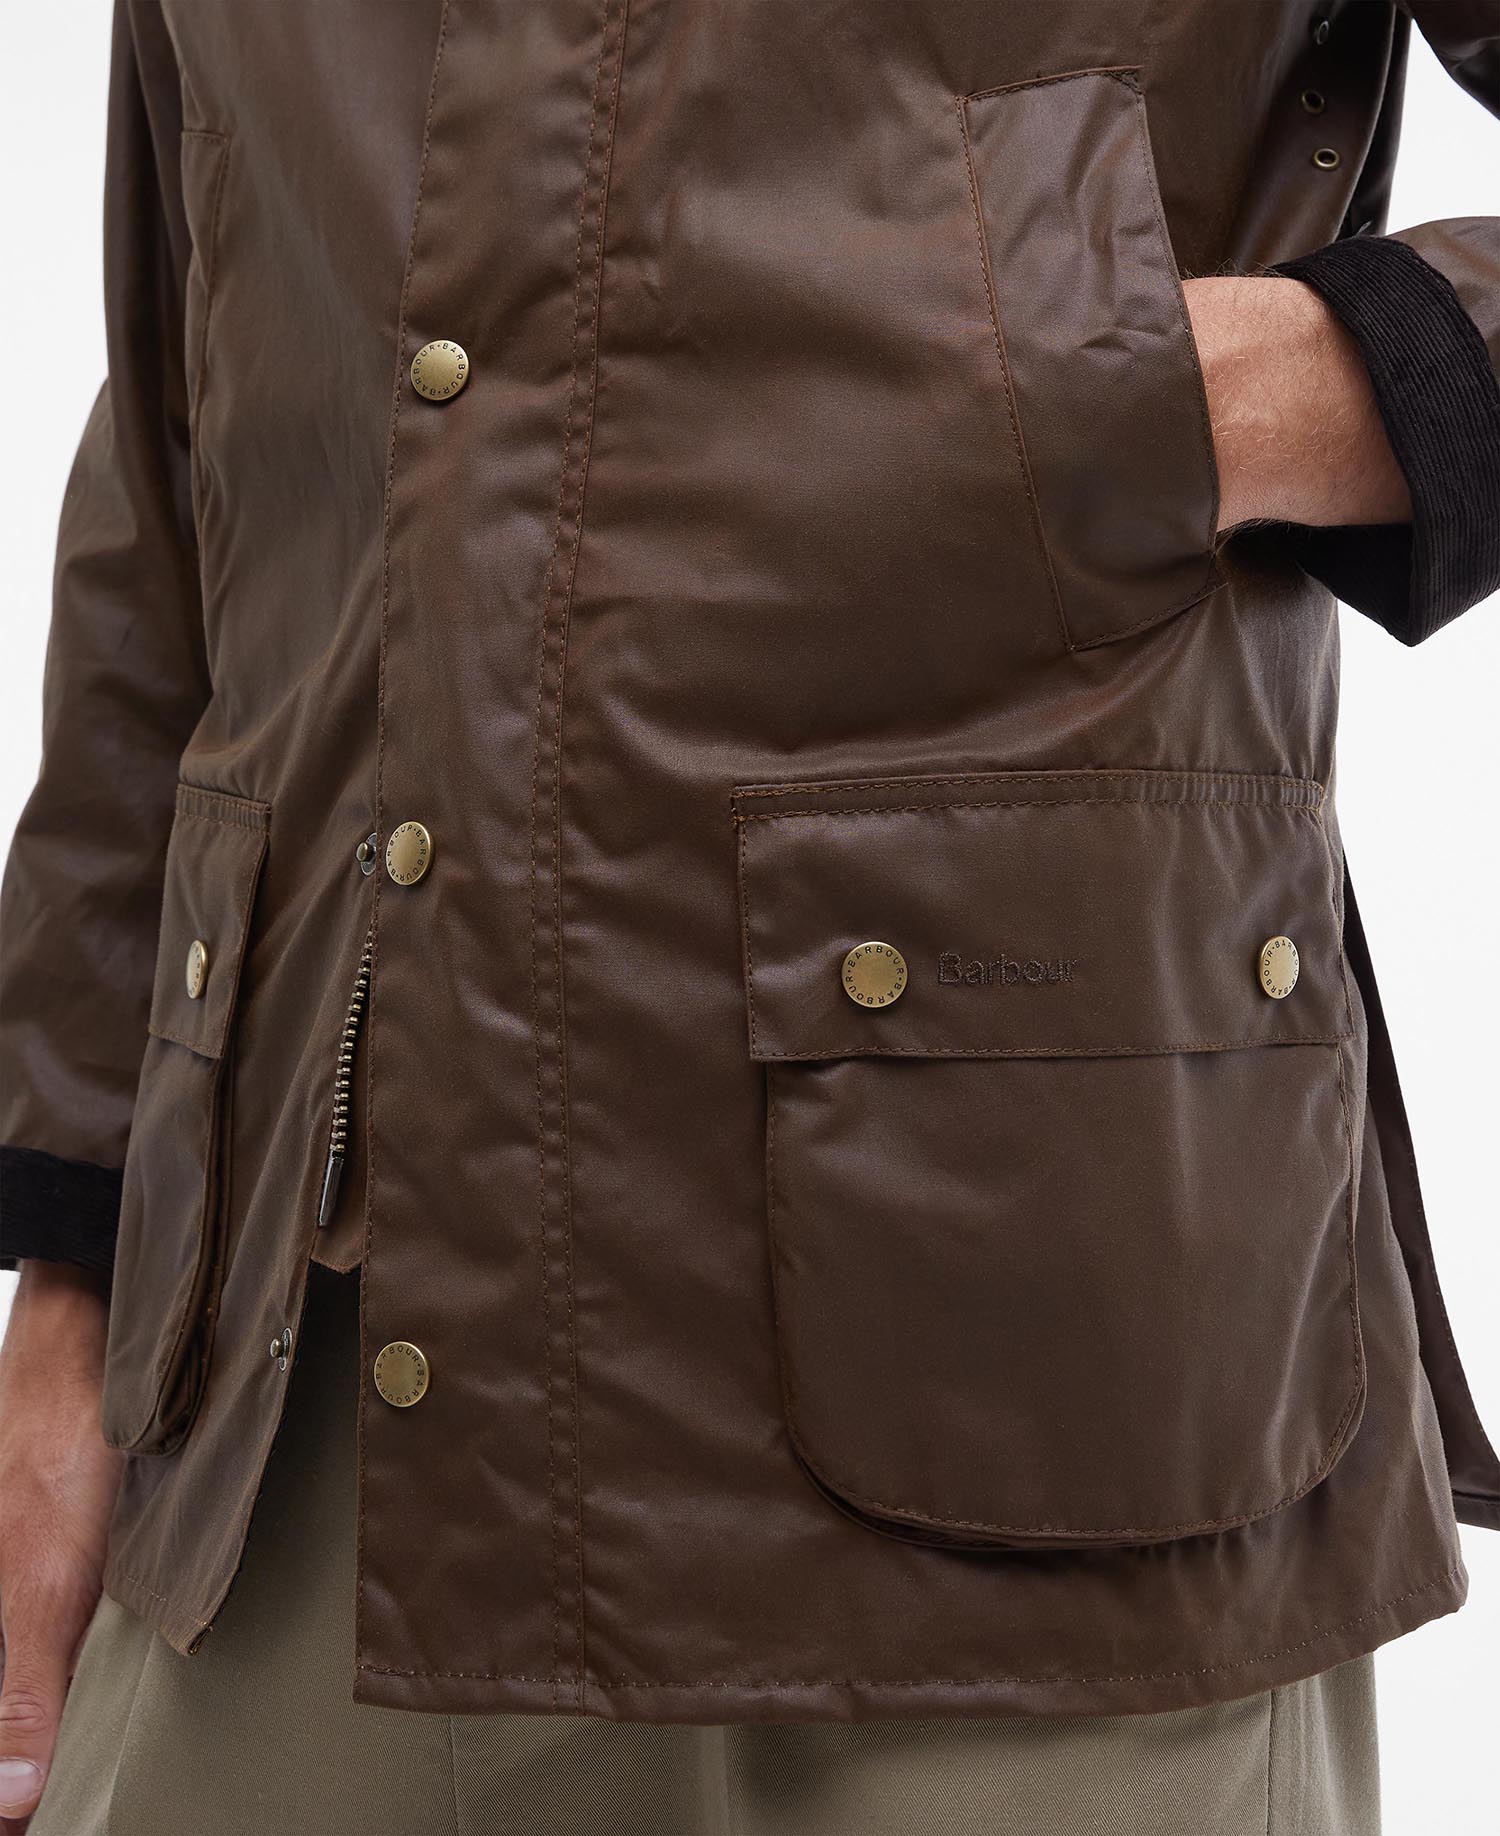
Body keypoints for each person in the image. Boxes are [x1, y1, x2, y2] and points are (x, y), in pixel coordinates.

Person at [1, 3, 1497, 1831]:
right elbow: (192, 428)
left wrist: (1287, 383)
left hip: (1037, 1409)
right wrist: (72, 1280)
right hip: (304, 1391)